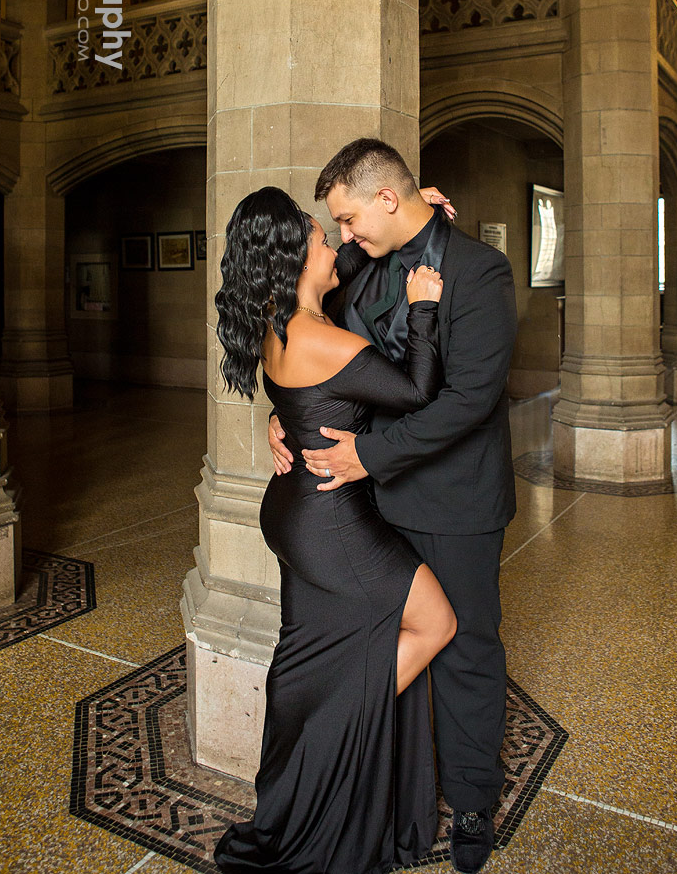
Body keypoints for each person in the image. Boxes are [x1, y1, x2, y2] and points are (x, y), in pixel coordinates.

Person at [269, 139, 518, 874]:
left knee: (465, 645)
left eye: (348, 218)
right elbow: (308, 349)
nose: (343, 237)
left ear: (386, 197)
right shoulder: (354, 267)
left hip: (452, 500)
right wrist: (285, 418)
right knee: (376, 638)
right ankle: (392, 786)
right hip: (363, 506)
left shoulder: (478, 270)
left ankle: (472, 797)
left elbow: (470, 398)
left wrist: (367, 455)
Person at [213, 185, 457, 874]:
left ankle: (301, 781)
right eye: (322, 238)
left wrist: (412, 209)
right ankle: (329, 758)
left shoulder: (277, 325)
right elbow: (414, 393)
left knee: (312, 662)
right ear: (295, 262)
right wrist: (424, 309)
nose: (335, 243)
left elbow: (299, 393)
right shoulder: (319, 336)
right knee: (433, 625)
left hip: (295, 509)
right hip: (331, 522)